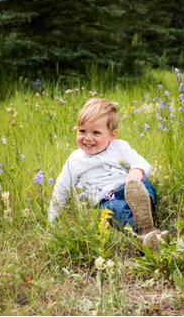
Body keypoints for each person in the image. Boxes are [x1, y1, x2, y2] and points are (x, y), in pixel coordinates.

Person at [48, 98, 167, 248]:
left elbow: (142, 163)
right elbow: (61, 190)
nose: (88, 138)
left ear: (112, 135)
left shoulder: (120, 147)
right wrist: (53, 221)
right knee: (115, 210)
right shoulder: (75, 160)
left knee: (146, 185)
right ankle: (144, 232)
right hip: (106, 199)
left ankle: (144, 212)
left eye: (96, 133)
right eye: (82, 131)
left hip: (128, 188)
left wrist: (137, 170)